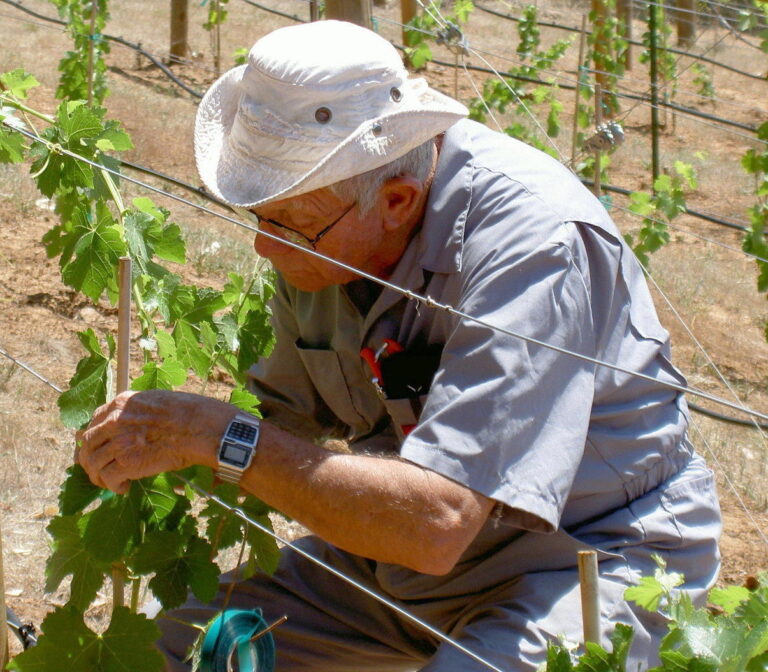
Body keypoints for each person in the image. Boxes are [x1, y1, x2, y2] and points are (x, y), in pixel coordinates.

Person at [77, 19, 722, 672]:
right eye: (261, 219)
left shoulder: (535, 248)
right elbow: (289, 421)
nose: (265, 247)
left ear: (396, 199)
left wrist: (223, 439)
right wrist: (157, 440)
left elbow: (437, 524)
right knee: (194, 647)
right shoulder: (324, 233)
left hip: (586, 563)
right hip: (399, 572)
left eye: (289, 227)